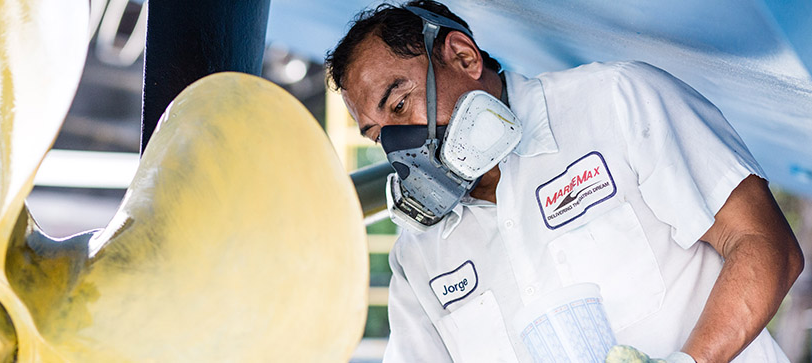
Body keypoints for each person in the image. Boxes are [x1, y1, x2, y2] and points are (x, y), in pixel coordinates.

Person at [324, 1, 805, 362]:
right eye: (377, 135)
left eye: (401, 104)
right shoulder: (419, 256)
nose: (398, 144)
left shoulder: (615, 103)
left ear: (464, 57)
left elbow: (764, 244)